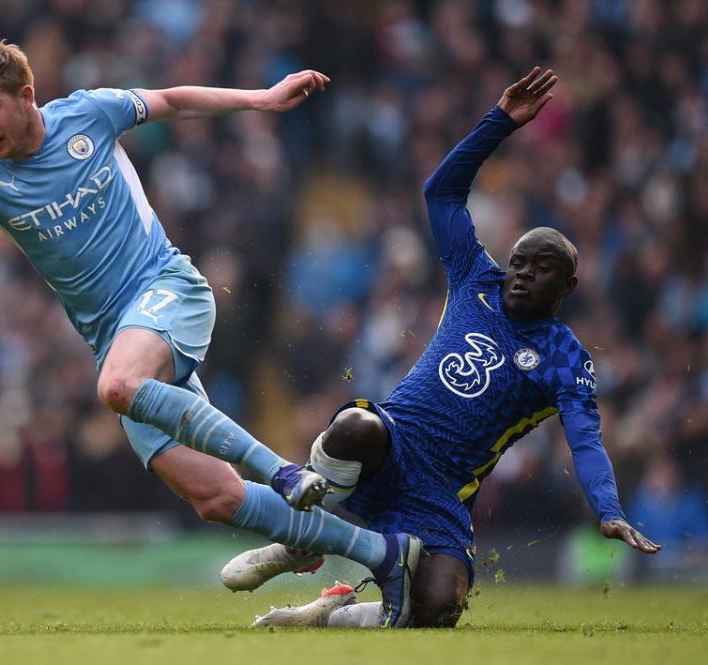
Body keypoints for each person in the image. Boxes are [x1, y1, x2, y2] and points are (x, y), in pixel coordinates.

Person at [0, 40, 425, 627]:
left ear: (26, 96)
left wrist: (263, 100)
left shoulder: (88, 113)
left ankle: (283, 471)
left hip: (168, 289)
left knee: (117, 385)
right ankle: (386, 555)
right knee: (215, 498)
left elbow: (171, 100)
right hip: (113, 337)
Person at [221, 67, 662, 629]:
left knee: (439, 608)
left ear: (567, 286)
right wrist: (498, 124)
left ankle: (326, 613)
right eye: (520, 261)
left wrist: (607, 510)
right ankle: (296, 542)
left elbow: (586, 440)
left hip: (440, 491)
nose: (522, 274)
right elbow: (441, 191)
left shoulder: (565, 358)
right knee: (355, 425)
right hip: (394, 441)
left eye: (541, 268)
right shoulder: (476, 277)